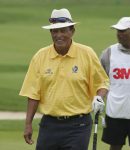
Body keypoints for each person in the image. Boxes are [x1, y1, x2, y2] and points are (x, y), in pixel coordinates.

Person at [19, 8, 109, 150]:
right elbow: (33, 94)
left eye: (63, 30)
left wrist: (99, 97)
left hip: (78, 126)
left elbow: (102, 83)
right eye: (55, 31)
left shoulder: (86, 53)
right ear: (51, 33)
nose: (59, 35)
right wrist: (28, 124)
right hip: (49, 125)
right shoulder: (40, 56)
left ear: (72, 31)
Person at [100, 17, 130, 150]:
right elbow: (100, 79)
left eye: (123, 31)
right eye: (117, 31)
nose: (119, 34)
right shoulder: (109, 52)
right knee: (115, 146)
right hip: (115, 110)